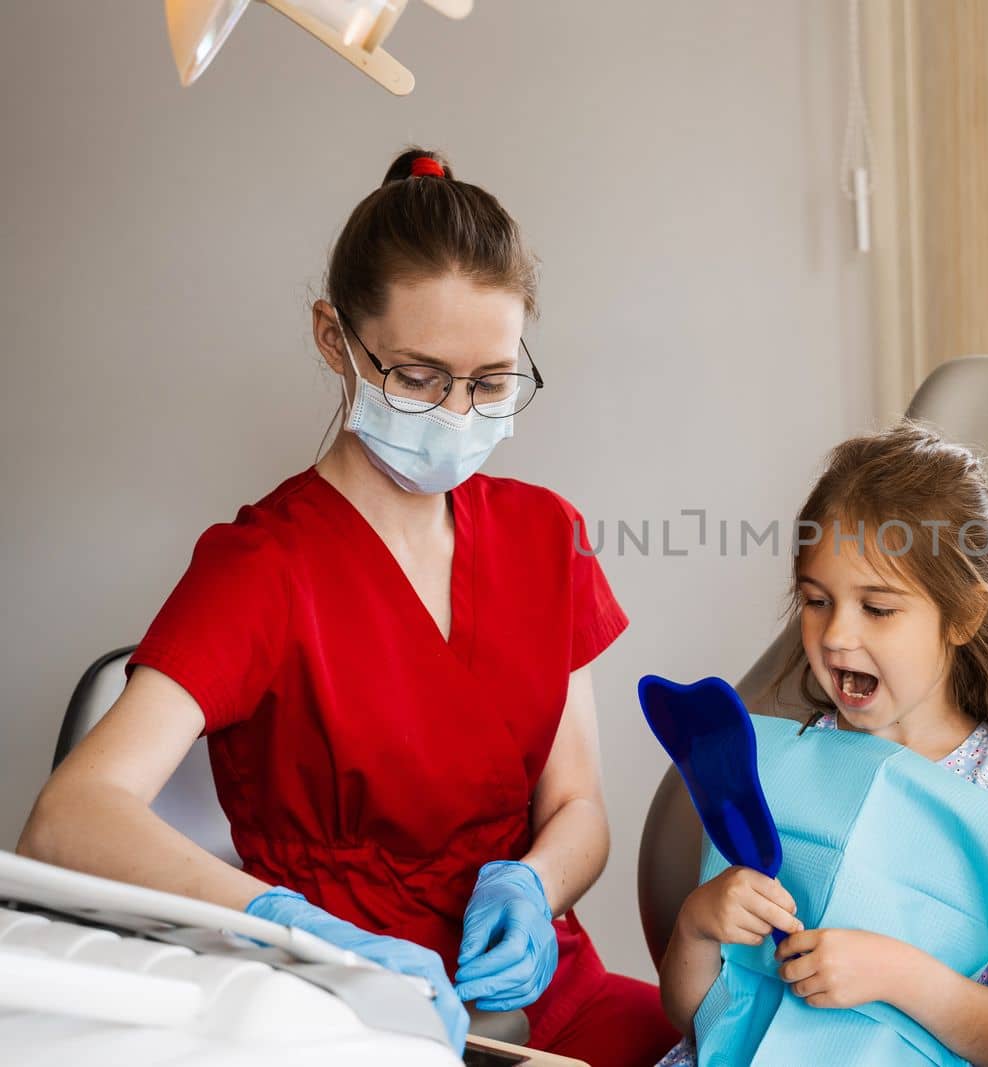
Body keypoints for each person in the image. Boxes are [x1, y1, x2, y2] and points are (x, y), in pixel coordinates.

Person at [17, 147, 680, 1065]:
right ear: (337, 340)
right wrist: (282, 921)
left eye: (489, 382)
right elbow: (69, 816)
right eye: (418, 376)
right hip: (339, 1003)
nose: (457, 412)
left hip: (539, 994)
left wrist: (534, 883)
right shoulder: (262, 566)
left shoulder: (546, 534)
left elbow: (578, 805)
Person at [654, 422, 988, 1067]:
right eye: (817, 601)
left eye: (877, 608)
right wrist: (698, 925)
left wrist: (898, 976)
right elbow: (695, 1019)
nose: (835, 635)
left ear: (963, 614)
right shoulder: (778, 767)